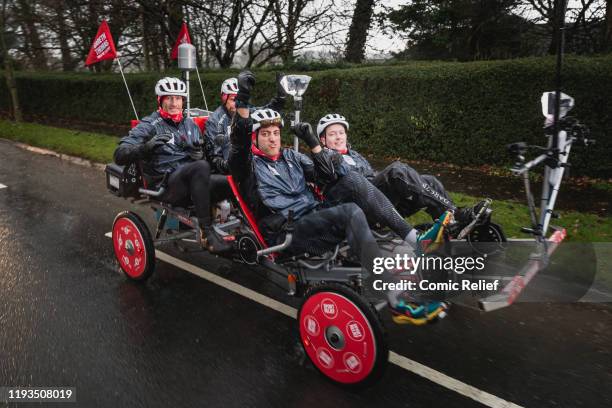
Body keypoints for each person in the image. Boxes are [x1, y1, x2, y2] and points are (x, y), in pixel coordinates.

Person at [228, 70, 448, 325]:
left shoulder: (292, 157)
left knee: (352, 181)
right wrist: (243, 99)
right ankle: (396, 299)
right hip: (287, 231)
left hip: (315, 215)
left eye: (276, 133)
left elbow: (332, 174)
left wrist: (314, 143)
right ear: (255, 138)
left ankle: (417, 241)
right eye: (265, 134)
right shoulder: (247, 166)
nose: (273, 138)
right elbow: (239, 141)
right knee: (350, 212)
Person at [113, 77, 233, 254]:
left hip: (192, 181)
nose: (173, 103)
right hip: (166, 185)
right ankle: (207, 234)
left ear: (183, 101)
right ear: (160, 101)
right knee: (200, 167)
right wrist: (146, 147)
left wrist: (201, 154)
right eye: (168, 98)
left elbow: (205, 155)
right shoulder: (149, 124)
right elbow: (119, 154)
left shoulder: (189, 124)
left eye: (177, 98)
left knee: (233, 179)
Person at [315, 113, 491, 234]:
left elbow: (373, 176)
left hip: (381, 202)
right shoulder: (325, 158)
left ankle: (451, 226)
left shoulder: (356, 156)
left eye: (341, 133)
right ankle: (457, 213)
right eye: (332, 134)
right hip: (361, 208)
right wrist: (334, 156)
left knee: (429, 181)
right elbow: (343, 176)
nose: (338, 137)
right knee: (397, 170)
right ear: (323, 140)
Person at [204, 73, 287, 174]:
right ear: (224, 99)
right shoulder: (215, 121)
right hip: (228, 169)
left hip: (249, 163)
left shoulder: (245, 111)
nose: (236, 104)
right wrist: (229, 166)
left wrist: (280, 98)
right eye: (232, 99)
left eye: (239, 100)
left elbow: (265, 112)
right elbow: (214, 156)